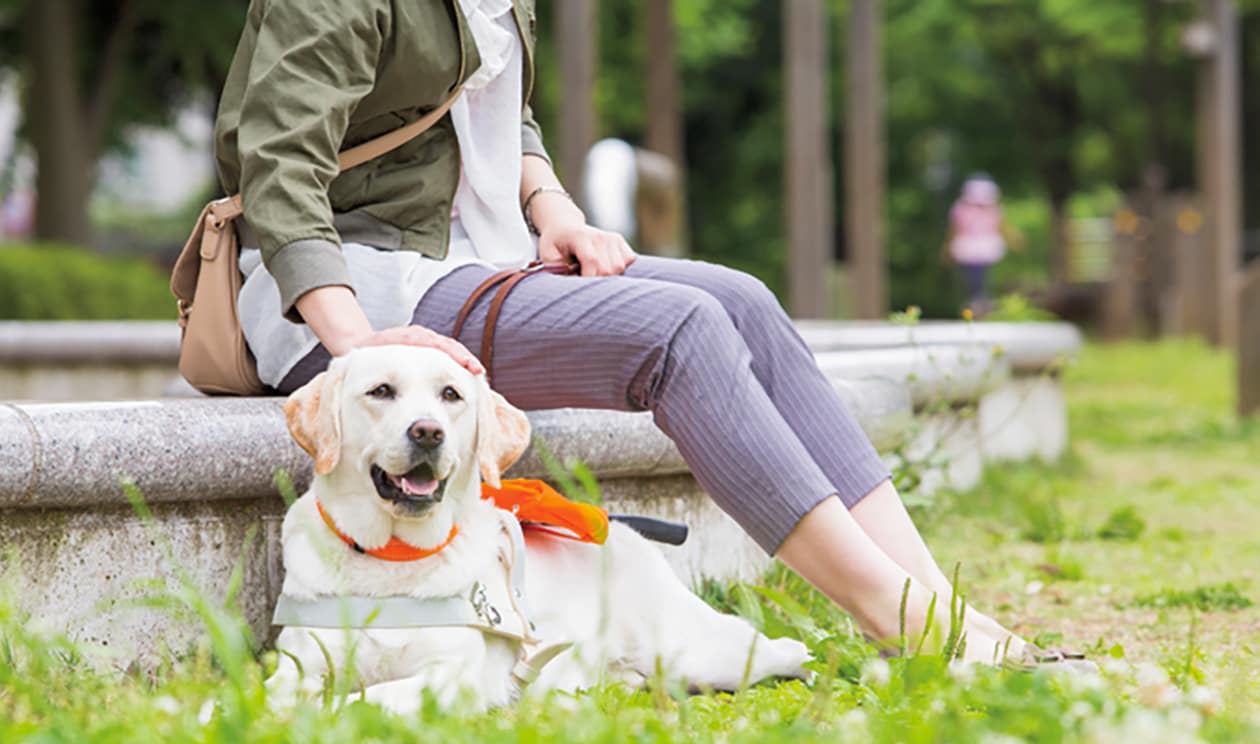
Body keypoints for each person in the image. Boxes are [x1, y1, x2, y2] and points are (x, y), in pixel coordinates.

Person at [214, 0, 1079, 670]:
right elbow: (278, 166)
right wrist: (364, 347)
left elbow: (495, 114)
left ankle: (937, 600)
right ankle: (900, 617)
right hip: (359, 292)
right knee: (680, 331)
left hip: (482, 261)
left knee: (742, 301)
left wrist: (554, 211)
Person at [945, 175, 1008, 316]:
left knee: (982, 276)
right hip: (968, 247)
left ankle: (981, 301)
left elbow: (1001, 227)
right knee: (973, 277)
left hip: (984, 246)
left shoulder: (992, 209)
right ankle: (977, 301)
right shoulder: (962, 209)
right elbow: (955, 228)